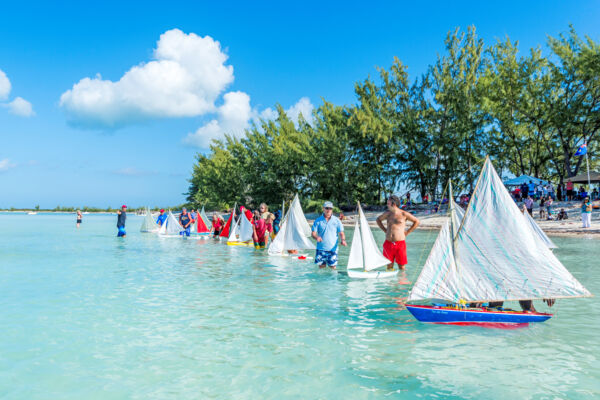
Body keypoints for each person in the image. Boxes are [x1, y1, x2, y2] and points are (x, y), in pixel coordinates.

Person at [376, 195, 420, 271]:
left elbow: (416, 221)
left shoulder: (404, 214)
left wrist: (407, 232)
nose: (387, 205)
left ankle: (402, 281)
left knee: (402, 267)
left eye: (388, 203)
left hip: (400, 244)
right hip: (388, 243)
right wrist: (385, 230)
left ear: (394, 204)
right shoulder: (388, 213)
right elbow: (378, 220)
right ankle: (390, 282)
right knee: (389, 266)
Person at [311, 201, 346, 269]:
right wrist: (316, 237)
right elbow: (313, 233)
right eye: (327, 208)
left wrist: (343, 240)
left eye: (330, 208)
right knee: (321, 269)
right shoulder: (318, 220)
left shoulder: (337, 220)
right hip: (321, 249)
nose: (328, 210)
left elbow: (341, 233)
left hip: (333, 249)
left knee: (333, 268)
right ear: (323, 208)